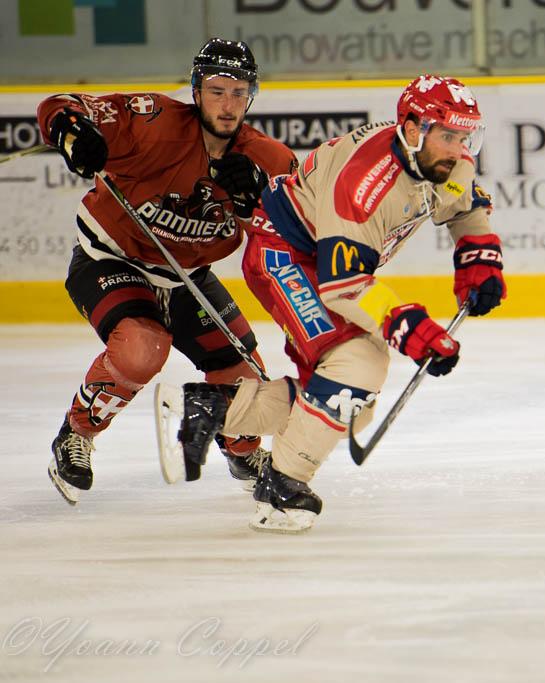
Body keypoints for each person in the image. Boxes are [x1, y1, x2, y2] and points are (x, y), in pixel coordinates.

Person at [157, 74, 507, 533]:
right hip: (285, 254)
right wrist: (410, 328)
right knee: (356, 367)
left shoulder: (443, 158)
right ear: (413, 129)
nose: (459, 150)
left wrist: (478, 254)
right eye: (448, 136)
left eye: (466, 137)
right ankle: (281, 485)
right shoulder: (363, 185)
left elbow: (460, 203)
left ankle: (209, 409)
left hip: (321, 260)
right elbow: (345, 286)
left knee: (349, 402)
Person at [38, 38, 297, 504]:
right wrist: (73, 132)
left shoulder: (269, 160)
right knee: (142, 348)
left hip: (185, 277)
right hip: (110, 257)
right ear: (196, 91)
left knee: (244, 376)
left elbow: (299, 231)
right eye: (217, 91)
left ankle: (242, 451)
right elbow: (61, 105)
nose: (228, 104)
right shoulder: (152, 123)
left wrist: (262, 200)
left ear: (252, 96)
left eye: (239, 92)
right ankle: (76, 433)